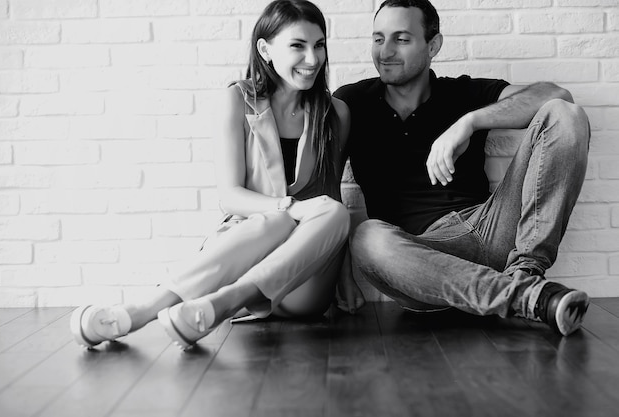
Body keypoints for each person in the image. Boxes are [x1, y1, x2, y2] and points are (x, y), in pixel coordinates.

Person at [70, 0, 352, 350]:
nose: (312, 59)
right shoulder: (236, 100)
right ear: (265, 49)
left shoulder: (335, 112)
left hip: (303, 281)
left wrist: (346, 278)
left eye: (319, 45)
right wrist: (288, 207)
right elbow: (231, 195)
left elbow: (332, 198)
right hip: (245, 252)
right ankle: (138, 312)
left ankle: (223, 302)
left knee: (333, 212)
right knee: (277, 220)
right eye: (298, 45)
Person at [333, 0, 591, 336]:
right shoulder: (352, 101)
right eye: (379, 39)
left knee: (565, 115)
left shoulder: (462, 92)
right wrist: (342, 275)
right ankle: (525, 298)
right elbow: (328, 188)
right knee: (368, 237)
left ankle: (526, 275)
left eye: (402, 39)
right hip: (423, 259)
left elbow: (557, 95)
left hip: (491, 228)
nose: (386, 51)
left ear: (433, 45)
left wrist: (470, 122)